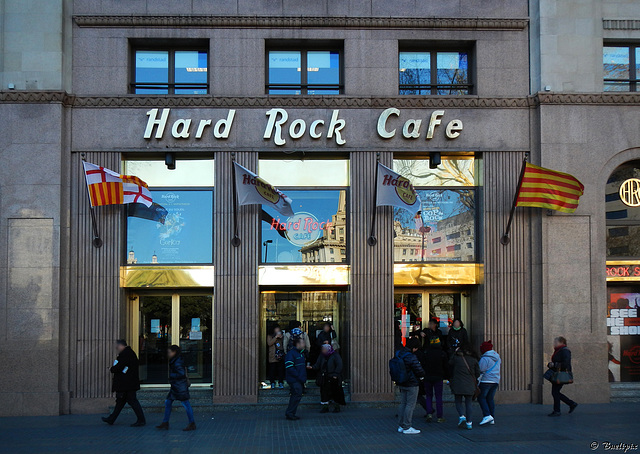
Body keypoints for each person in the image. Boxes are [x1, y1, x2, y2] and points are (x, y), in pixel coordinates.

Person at [101, 339, 146, 427]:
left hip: (127, 384)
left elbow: (119, 366)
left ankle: (141, 420)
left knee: (131, 401)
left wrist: (112, 369)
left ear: (121, 346)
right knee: (121, 402)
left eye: (117, 347)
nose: (117, 348)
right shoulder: (129, 353)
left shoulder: (126, 354)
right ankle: (111, 419)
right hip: (128, 383)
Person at [155, 345, 196, 431]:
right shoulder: (177, 360)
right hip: (177, 386)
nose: (168, 354)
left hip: (179, 386)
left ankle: (192, 423)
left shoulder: (177, 361)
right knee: (168, 402)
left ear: (174, 352)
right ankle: (165, 422)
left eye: (169, 352)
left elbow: (181, 374)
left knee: (185, 404)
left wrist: (171, 376)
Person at [395, 337, 425, 435]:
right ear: (414, 347)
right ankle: (407, 426)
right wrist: (422, 376)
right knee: (410, 405)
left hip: (401, 381)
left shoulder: (399, 353)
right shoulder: (411, 356)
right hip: (412, 383)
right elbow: (419, 370)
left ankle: (401, 425)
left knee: (403, 403)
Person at [449, 343, 480, 430]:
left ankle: (462, 416)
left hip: (458, 383)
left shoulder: (456, 358)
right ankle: (469, 423)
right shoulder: (473, 359)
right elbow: (478, 373)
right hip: (470, 384)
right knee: (469, 403)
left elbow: (450, 364)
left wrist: (455, 353)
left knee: (458, 401)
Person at [422, 319, 447, 423]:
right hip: (438, 376)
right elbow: (445, 366)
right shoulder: (442, 354)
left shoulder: (426, 353)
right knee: (439, 396)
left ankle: (429, 413)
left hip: (428, 376)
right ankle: (440, 416)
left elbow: (423, 365)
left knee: (428, 396)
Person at [308, 344, 345, 413]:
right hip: (324, 376)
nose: (323, 351)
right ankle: (325, 407)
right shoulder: (321, 356)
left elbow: (339, 365)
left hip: (333, 377)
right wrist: (312, 367)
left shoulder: (335, 355)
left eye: (324, 349)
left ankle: (337, 406)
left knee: (335, 392)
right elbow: (318, 364)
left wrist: (336, 374)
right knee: (324, 392)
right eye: (322, 349)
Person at [547, 336, 578, 417]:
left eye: (556, 342)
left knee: (555, 392)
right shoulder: (559, 350)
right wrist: (550, 364)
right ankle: (571, 404)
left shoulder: (565, 351)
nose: (554, 343)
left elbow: (566, 363)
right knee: (555, 392)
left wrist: (554, 364)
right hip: (558, 373)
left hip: (561, 374)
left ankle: (558, 410)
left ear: (561, 342)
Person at [477, 340, 501, 426]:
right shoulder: (497, 357)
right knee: (490, 399)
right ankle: (491, 417)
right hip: (495, 381)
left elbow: (481, 370)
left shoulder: (485, 358)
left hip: (486, 381)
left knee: (481, 398)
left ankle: (487, 415)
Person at [284, 337, 307, 420]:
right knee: (296, 395)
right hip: (294, 380)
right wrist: (298, 376)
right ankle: (290, 413)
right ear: (298, 344)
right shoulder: (292, 354)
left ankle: (290, 412)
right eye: (303, 343)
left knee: (296, 396)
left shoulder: (300, 354)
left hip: (298, 379)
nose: (304, 344)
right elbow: (289, 366)